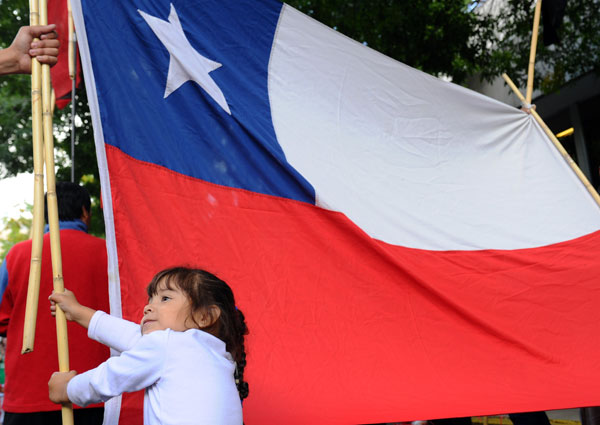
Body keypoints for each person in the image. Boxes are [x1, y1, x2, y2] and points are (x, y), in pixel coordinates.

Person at [48, 266, 249, 425]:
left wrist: (68, 388)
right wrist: (79, 312)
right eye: (150, 298)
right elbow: (133, 338)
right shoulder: (215, 356)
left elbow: (111, 376)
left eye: (165, 298)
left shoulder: (168, 346)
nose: (148, 306)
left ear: (205, 316)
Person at [0, 182, 109, 425]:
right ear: (84, 212)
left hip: (28, 396)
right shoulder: (110, 255)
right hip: (99, 393)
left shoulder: (17, 256)